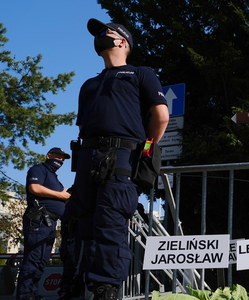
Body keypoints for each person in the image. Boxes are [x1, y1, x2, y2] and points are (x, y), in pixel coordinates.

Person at [70, 18, 169, 299]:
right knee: (83, 223)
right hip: (88, 157)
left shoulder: (140, 74)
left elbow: (161, 116)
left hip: (122, 157)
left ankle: (106, 290)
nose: (99, 36)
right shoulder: (88, 85)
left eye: (105, 32)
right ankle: (79, 285)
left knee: (110, 222)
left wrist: (146, 149)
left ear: (122, 41)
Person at [16, 147, 72, 300]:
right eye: (57, 156)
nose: (60, 160)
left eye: (62, 159)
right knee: (33, 259)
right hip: (38, 221)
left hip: (50, 223)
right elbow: (34, 187)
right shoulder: (39, 169)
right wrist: (60, 195)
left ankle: (32, 293)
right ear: (48, 155)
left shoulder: (55, 178)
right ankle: (25, 295)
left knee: (42, 260)